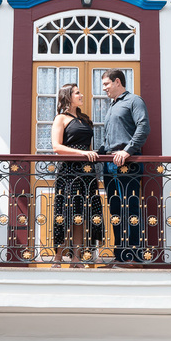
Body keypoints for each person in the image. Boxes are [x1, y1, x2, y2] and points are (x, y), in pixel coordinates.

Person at [99, 69, 149, 264]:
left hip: (128, 164)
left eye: (106, 84)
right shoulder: (112, 105)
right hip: (110, 165)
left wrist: (127, 151)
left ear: (117, 81)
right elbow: (109, 138)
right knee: (115, 210)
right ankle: (120, 255)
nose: (104, 89)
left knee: (131, 208)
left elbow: (144, 127)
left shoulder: (134, 101)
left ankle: (134, 256)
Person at [49, 83, 101, 267]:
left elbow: (87, 147)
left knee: (82, 214)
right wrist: (83, 153)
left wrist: (91, 156)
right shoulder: (61, 118)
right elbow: (57, 147)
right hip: (69, 170)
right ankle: (58, 257)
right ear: (68, 96)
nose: (81, 95)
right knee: (65, 213)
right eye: (77, 93)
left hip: (85, 171)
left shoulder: (84, 119)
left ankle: (77, 258)